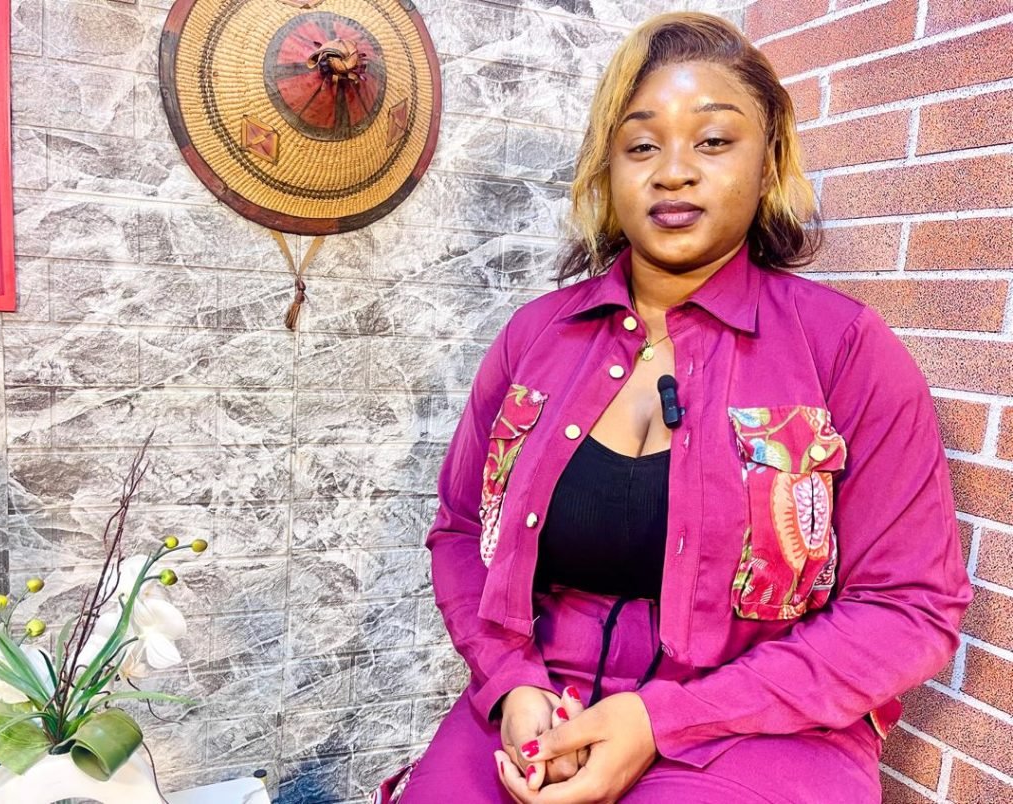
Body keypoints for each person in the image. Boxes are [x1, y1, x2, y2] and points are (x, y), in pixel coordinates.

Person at [387, 11, 972, 804]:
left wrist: (663, 720)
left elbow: (910, 607)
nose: (673, 172)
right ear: (608, 168)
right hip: (542, 698)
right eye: (641, 145)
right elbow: (460, 530)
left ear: (769, 161)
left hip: (762, 720)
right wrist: (511, 684)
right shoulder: (535, 338)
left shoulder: (845, 351)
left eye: (713, 140)